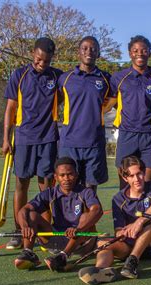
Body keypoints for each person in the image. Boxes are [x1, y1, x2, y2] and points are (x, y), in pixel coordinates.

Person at [3, 37, 63, 250]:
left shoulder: (57, 76)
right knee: (21, 183)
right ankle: (20, 229)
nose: (41, 64)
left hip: (48, 139)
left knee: (46, 186)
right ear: (32, 54)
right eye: (38, 59)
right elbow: (10, 108)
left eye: (46, 61)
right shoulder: (19, 75)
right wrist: (5, 139)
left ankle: (46, 234)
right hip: (24, 138)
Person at [78, 156, 151, 285]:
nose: (136, 179)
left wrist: (139, 222)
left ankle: (132, 262)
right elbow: (118, 231)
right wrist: (123, 232)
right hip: (130, 244)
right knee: (104, 244)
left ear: (144, 173)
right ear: (125, 178)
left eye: (139, 174)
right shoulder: (118, 199)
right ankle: (101, 271)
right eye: (131, 176)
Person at [13, 157, 103, 271]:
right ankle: (28, 253)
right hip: (57, 238)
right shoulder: (49, 193)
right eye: (62, 175)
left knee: (86, 217)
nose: (66, 179)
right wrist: (25, 226)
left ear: (76, 175)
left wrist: (79, 229)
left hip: (81, 240)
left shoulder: (85, 192)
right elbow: (23, 210)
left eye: (70, 174)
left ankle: (63, 256)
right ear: (56, 177)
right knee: (31, 215)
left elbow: (97, 210)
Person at [107, 35, 151, 188]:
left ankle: (146, 212)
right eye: (135, 50)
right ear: (130, 53)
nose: (140, 53)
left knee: (147, 186)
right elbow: (112, 102)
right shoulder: (119, 77)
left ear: (150, 53)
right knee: (125, 187)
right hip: (126, 135)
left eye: (144, 50)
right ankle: (124, 212)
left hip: (149, 136)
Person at [58, 36, 111, 192]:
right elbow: (55, 101)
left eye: (93, 49)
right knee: (69, 189)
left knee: (90, 189)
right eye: (85, 48)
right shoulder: (65, 78)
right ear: (78, 52)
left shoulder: (106, 79)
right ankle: (67, 217)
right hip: (69, 143)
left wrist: (100, 111)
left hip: (94, 143)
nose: (89, 51)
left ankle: (89, 217)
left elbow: (114, 99)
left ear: (98, 53)